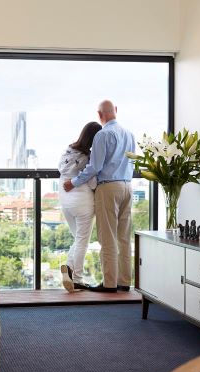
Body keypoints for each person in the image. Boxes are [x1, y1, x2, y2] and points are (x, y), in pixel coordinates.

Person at [63, 100, 135, 293]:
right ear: (116, 111)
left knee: (107, 237)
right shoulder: (130, 134)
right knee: (124, 237)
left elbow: (95, 167)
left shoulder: (103, 135)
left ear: (99, 114)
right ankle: (125, 281)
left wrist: (74, 182)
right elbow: (132, 163)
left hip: (109, 188)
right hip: (128, 186)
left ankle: (109, 283)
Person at [58, 122, 102, 292]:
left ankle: (69, 267)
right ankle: (77, 278)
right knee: (82, 241)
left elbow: (63, 173)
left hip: (66, 202)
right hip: (82, 202)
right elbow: (92, 182)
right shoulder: (88, 157)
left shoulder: (68, 151)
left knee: (78, 238)